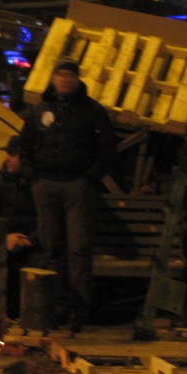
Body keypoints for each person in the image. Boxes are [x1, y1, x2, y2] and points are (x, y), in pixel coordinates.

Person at [18, 58, 116, 334]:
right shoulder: (40, 110)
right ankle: (55, 307)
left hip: (77, 186)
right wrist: (33, 176)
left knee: (78, 249)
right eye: (60, 74)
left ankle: (78, 310)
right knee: (51, 248)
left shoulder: (91, 111)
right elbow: (25, 145)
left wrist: (89, 178)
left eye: (69, 75)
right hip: (45, 184)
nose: (64, 79)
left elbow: (108, 148)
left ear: (77, 79)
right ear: (53, 78)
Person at [0, 134, 39, 319]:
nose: (7, 158)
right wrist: (5, 237)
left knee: (38, 262)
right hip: (6, 239)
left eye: (12, 155)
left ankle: (31, 315)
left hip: (30, 240)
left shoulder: (37, 182)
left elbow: (46, 217)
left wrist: (31, 239)